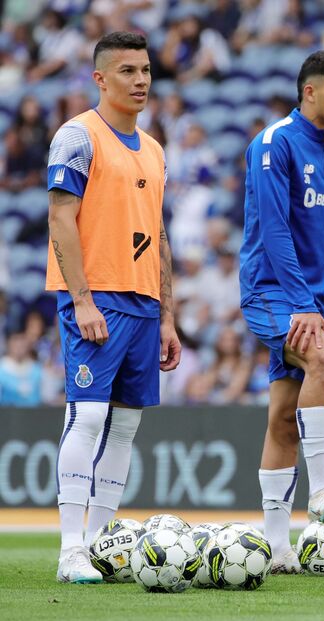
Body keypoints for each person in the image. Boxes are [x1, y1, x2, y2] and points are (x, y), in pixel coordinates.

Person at [45, 31, 181, 583]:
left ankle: (103, 545)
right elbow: (60, 218)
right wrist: (81, 299)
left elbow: (159, 233)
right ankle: (70, 549)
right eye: (127, 71)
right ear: (100, 79)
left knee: (125, 426)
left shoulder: (154, 148)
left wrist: (168, 314)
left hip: (145, 302)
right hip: (96, 295)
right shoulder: (77, 137)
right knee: (89, 415)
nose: (141, 80)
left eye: (146, 69)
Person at [239, 50, 324, 574]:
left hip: (314, 296)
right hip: (273, 291)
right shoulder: (274, 144)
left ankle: (276, 545)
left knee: (283, 418)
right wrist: (299, 303)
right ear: (310, 92)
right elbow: (273, 227)